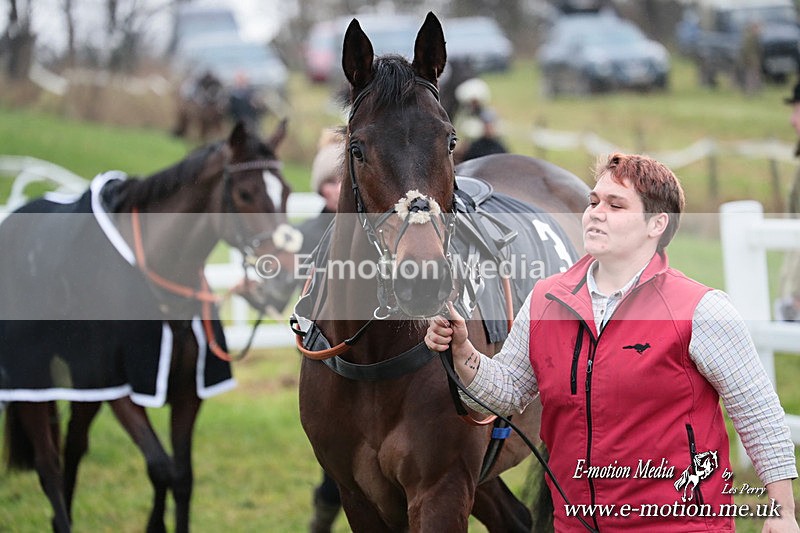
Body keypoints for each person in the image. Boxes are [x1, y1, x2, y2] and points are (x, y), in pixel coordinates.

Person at [426, 152, 799, 531]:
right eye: (593, 202)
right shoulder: (545, 300)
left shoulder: (701, 309)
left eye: (615, 205)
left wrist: (783, 511)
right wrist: (463, 353)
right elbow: (505, 392)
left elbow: (759, 414)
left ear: (656, 224)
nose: (595, 213)